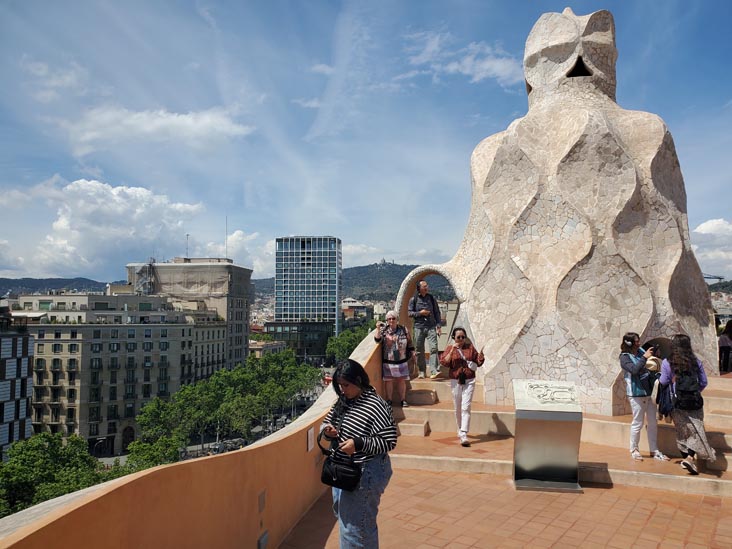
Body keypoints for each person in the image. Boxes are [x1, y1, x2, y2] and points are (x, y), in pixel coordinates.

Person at [321, 359, 397, 548]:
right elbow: (328, 420)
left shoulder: (376, 405)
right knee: (347, 520)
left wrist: (358, 443)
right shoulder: (345, 400)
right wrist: (327, 430)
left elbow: (389, 440)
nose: (342, 389)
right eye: (339, 386)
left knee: (356, 528)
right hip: (345, 470)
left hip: (366, 473)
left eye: (346, 385)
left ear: (358, 381)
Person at [660, 334, 716, 474]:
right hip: (695, 402)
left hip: (677, 403)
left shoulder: (667, 362)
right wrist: (694, 391)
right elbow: (703, 382)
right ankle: (690, 459)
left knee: (682, 432)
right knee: (696, 431)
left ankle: (688, 459)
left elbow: (663, 382)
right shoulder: (696, 362)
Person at [619, 332, 669, 461]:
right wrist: (645, 358)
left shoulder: (641, 352)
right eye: (636, 341)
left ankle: (654, 450)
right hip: (636, 393)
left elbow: (651, 364)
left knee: (653, 422)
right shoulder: (624, 357)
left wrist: (654, 355)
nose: (638, 343)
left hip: (650, 393)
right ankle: (634, 449)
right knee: (638, 422)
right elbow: (634, 370)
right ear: (628, 343)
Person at [439, 327, 484, 447]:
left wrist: (481, 357)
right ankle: (459, 429)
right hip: (456, 380)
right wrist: (452, 350)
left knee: (466, 406)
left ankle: (464, 433)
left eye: (463, 337)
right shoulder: (450, 348)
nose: (461, 339)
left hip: (469, 380)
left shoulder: (470, 348)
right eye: (458, 337)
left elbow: (478, 362)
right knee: (457, 406)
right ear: (454, 337)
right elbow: (444, 362)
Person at [374, 310, 414, 407]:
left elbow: (409, 341)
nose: (391, 320)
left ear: (397, 319)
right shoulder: (384, 330)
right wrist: (378, 329)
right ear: (387, 320)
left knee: (401, 380)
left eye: (393, 318)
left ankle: (403, 399)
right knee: (388, 381)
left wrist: (412, 352)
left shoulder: (403, 329)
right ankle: (389, 400)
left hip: (402, 359)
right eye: (389, 319)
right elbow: (377, 340)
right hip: (388, 360)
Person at [408, 280, 442, 379]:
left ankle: (433, 370)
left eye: (427, 285)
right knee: (419, 350)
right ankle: (421, 371)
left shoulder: (431, 298)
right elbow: (410, 313)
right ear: (419, 288)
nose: (427, 287)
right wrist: (420, 313)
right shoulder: (413, 299)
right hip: (419, 327)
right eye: (424, 286)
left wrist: (438, 326)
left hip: (431, 326)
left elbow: (437, 312)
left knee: (433, 348)